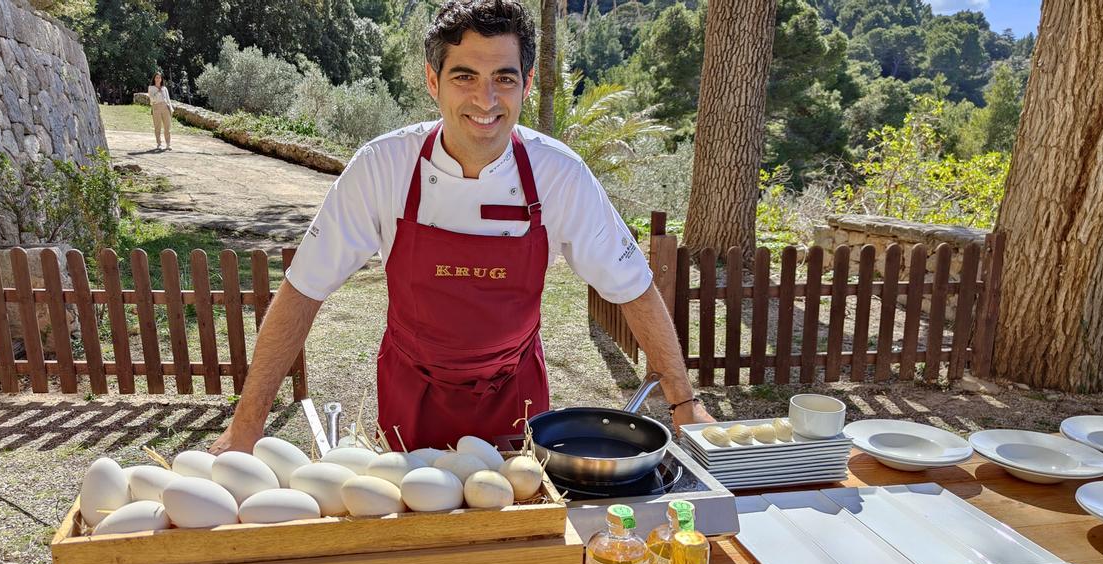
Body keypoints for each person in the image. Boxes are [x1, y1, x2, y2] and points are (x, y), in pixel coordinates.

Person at [209, 0, 712, 454]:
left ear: (527, 84)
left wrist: (683, 403)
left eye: (505, 78)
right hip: (412, 396)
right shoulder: (383, 167)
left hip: (516, 398)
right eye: (465, 76)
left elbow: (633, 288)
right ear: (433, 81)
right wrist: (247, 425)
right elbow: (303, 290)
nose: (486, 99)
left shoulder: (560, 174)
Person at [148, 72, 172, 150]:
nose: (158, 79)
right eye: (156, 77)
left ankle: (168, 144)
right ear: (154, 79)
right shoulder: (151, 88)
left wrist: (170, 109)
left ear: (161, 79)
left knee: (167, 127)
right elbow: (152, 99)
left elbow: (168, 99)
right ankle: (159, 144)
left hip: (165, 107)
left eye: (159, 77)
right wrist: (158, 92)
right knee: (157, 127)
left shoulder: (164, 88)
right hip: (156, 107)